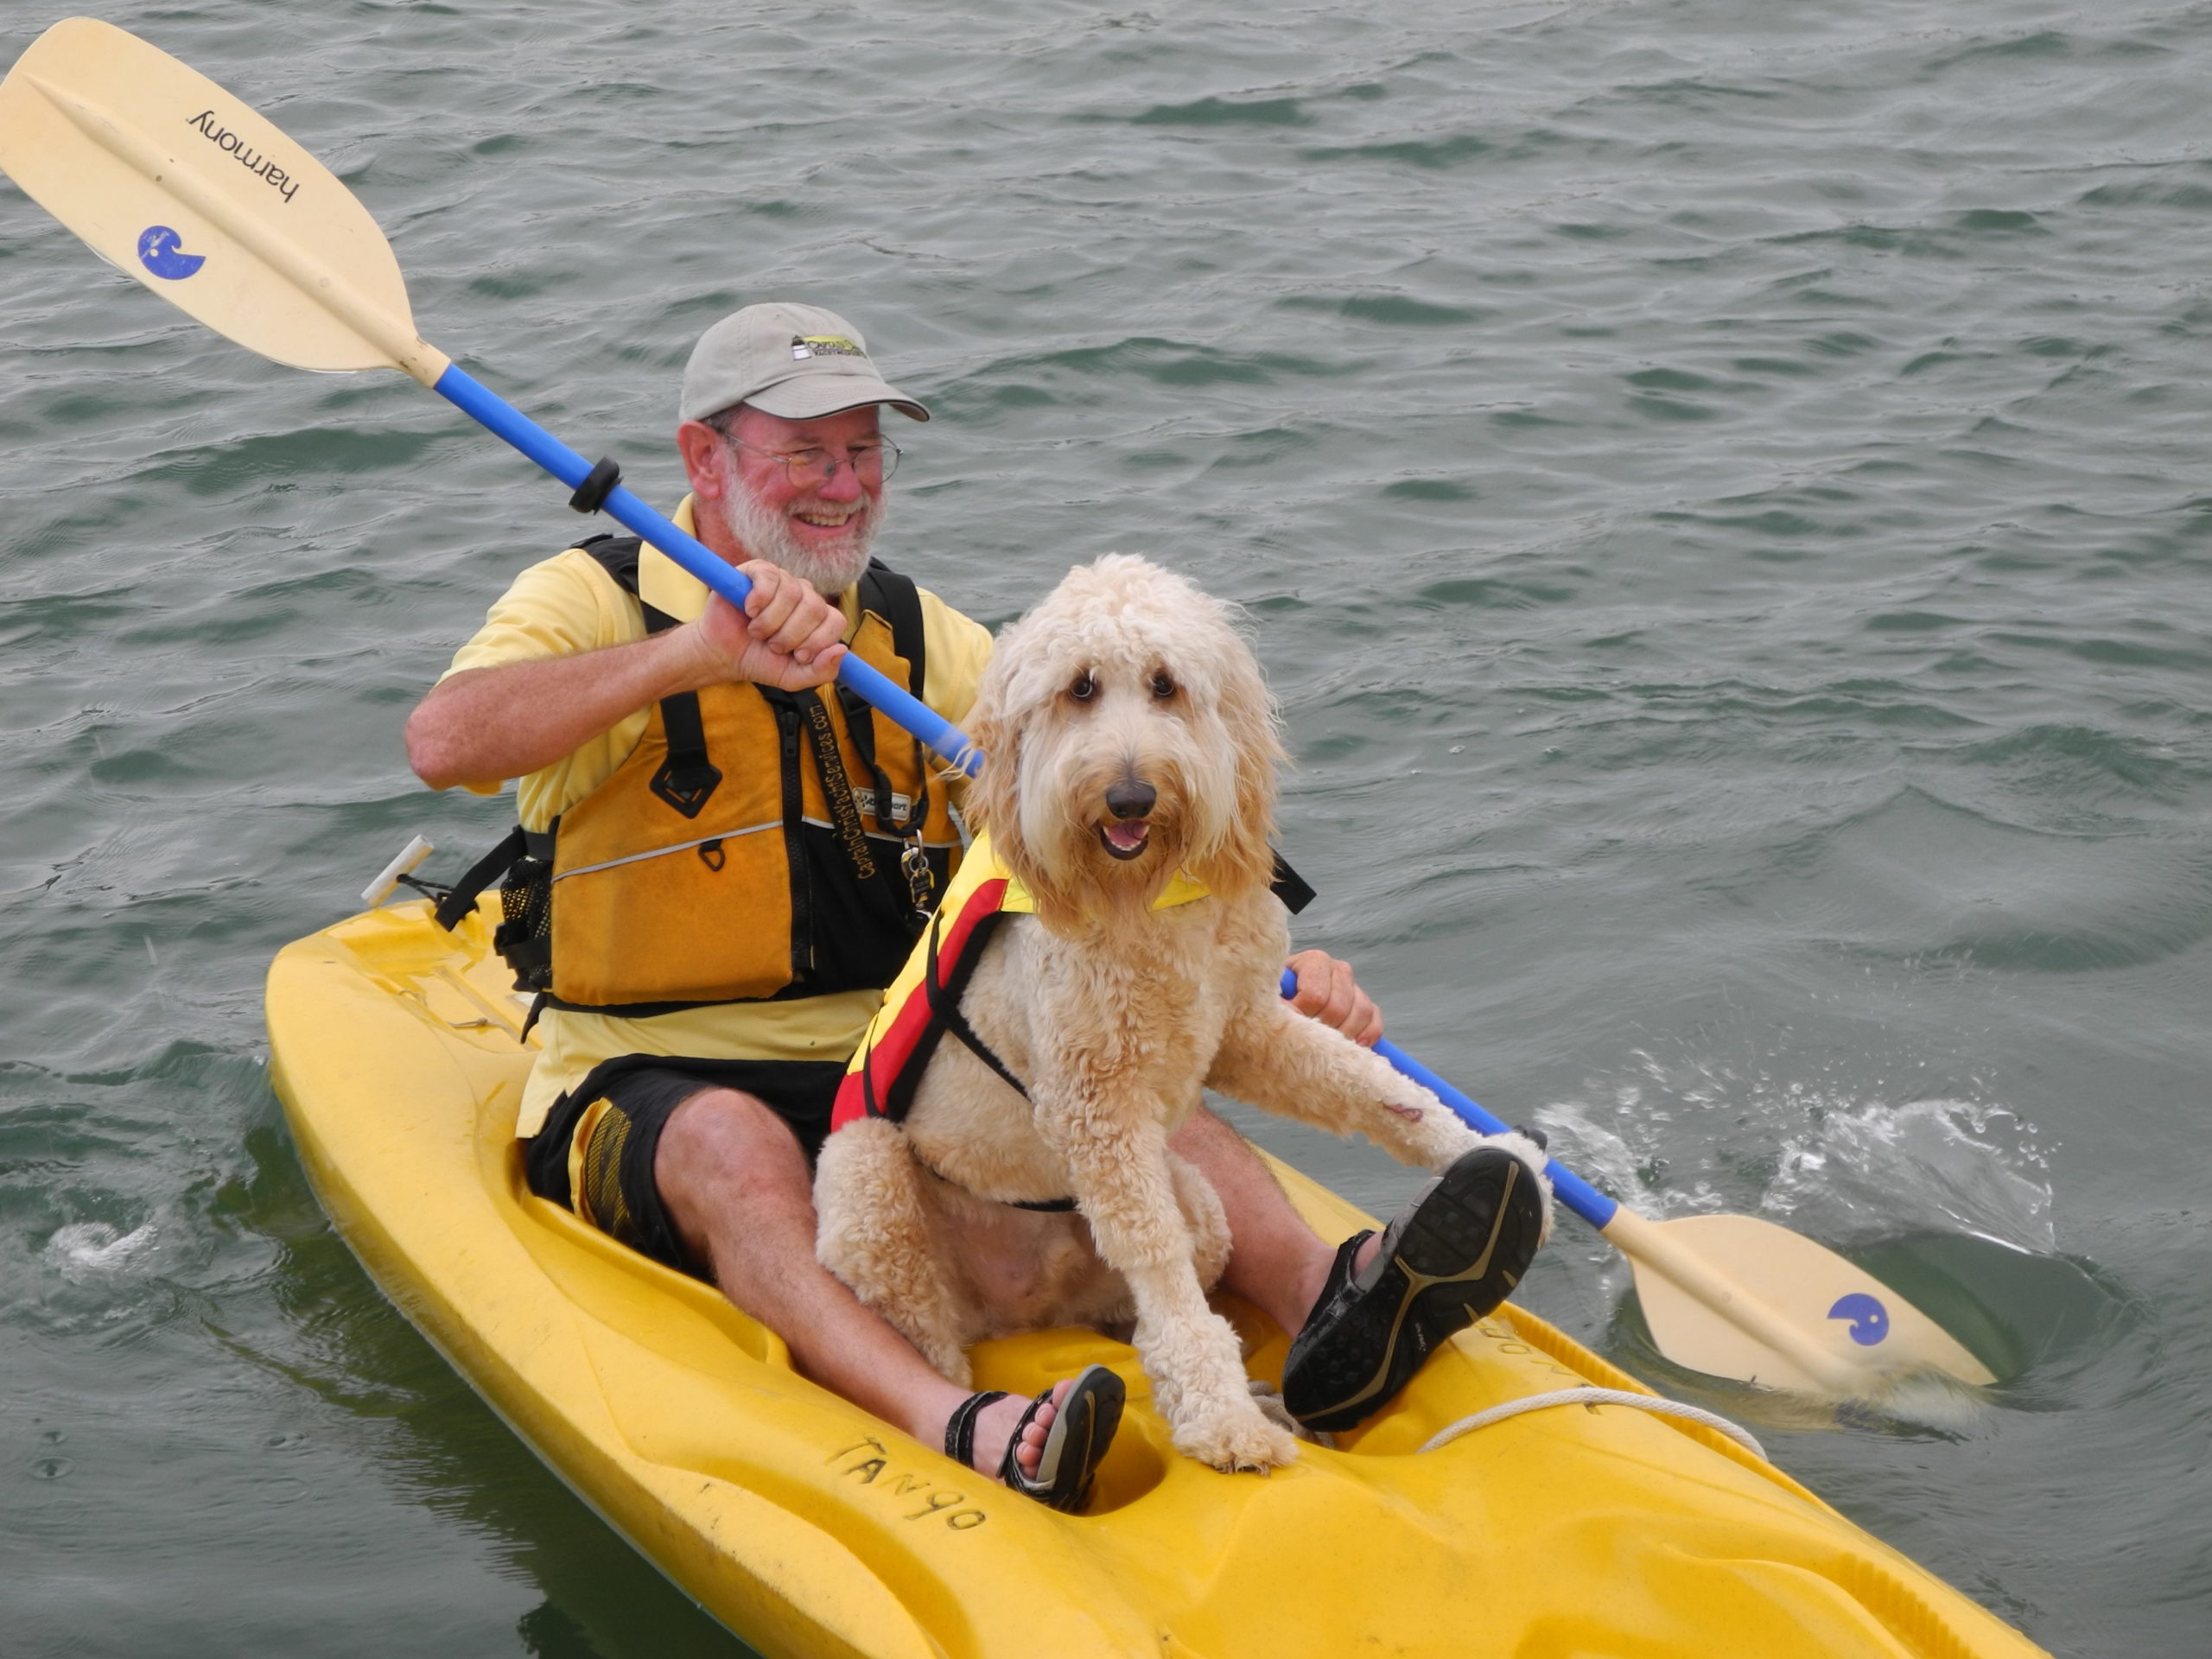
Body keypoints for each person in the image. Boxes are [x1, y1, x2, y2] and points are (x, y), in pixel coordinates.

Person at [405, 302, 1541, 1499]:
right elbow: (445, 741)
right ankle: (956, 1420)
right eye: (804, 453)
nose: (842, 486)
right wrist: (695, 655)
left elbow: (1107, 826)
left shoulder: (920, 635)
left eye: (861, 452)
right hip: (644, 1070)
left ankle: (1336, 1310)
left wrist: (1273, 972)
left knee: (1126, 1072)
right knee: (738, 1153)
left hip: (888, 1063)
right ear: (706, 460)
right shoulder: (596, 597)